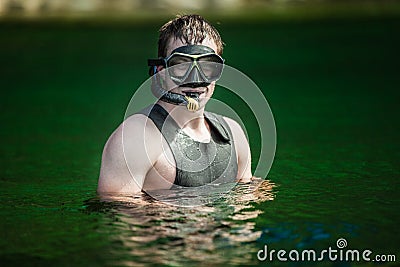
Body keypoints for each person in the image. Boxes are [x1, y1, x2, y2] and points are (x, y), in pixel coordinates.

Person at [98, 14, 253, 194]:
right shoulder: (135, 138)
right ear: (162, 72)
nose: (195, 80)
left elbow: (245, 204)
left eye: (207, 67)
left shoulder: (233, 134)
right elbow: (116, 208)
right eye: (181, 66)